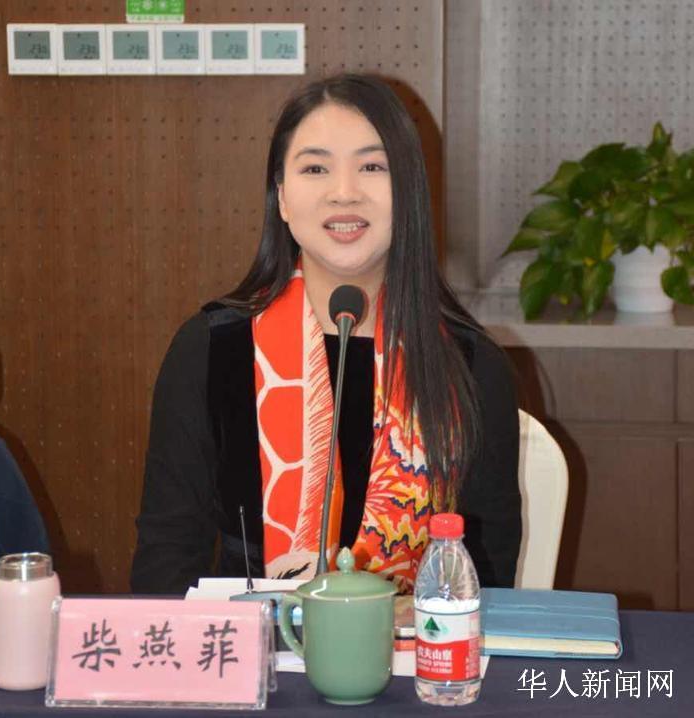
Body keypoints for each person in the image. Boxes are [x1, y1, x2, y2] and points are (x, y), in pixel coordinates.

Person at [131, 74, 521, 595]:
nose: (344, 192)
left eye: (372, 167)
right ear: (282, 197)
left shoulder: (471, 365)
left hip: (417, 646)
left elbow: (487, 580)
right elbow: (165, 567)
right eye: (315, 168)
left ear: (408, 193)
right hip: (251, 642)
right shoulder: (210, 350)